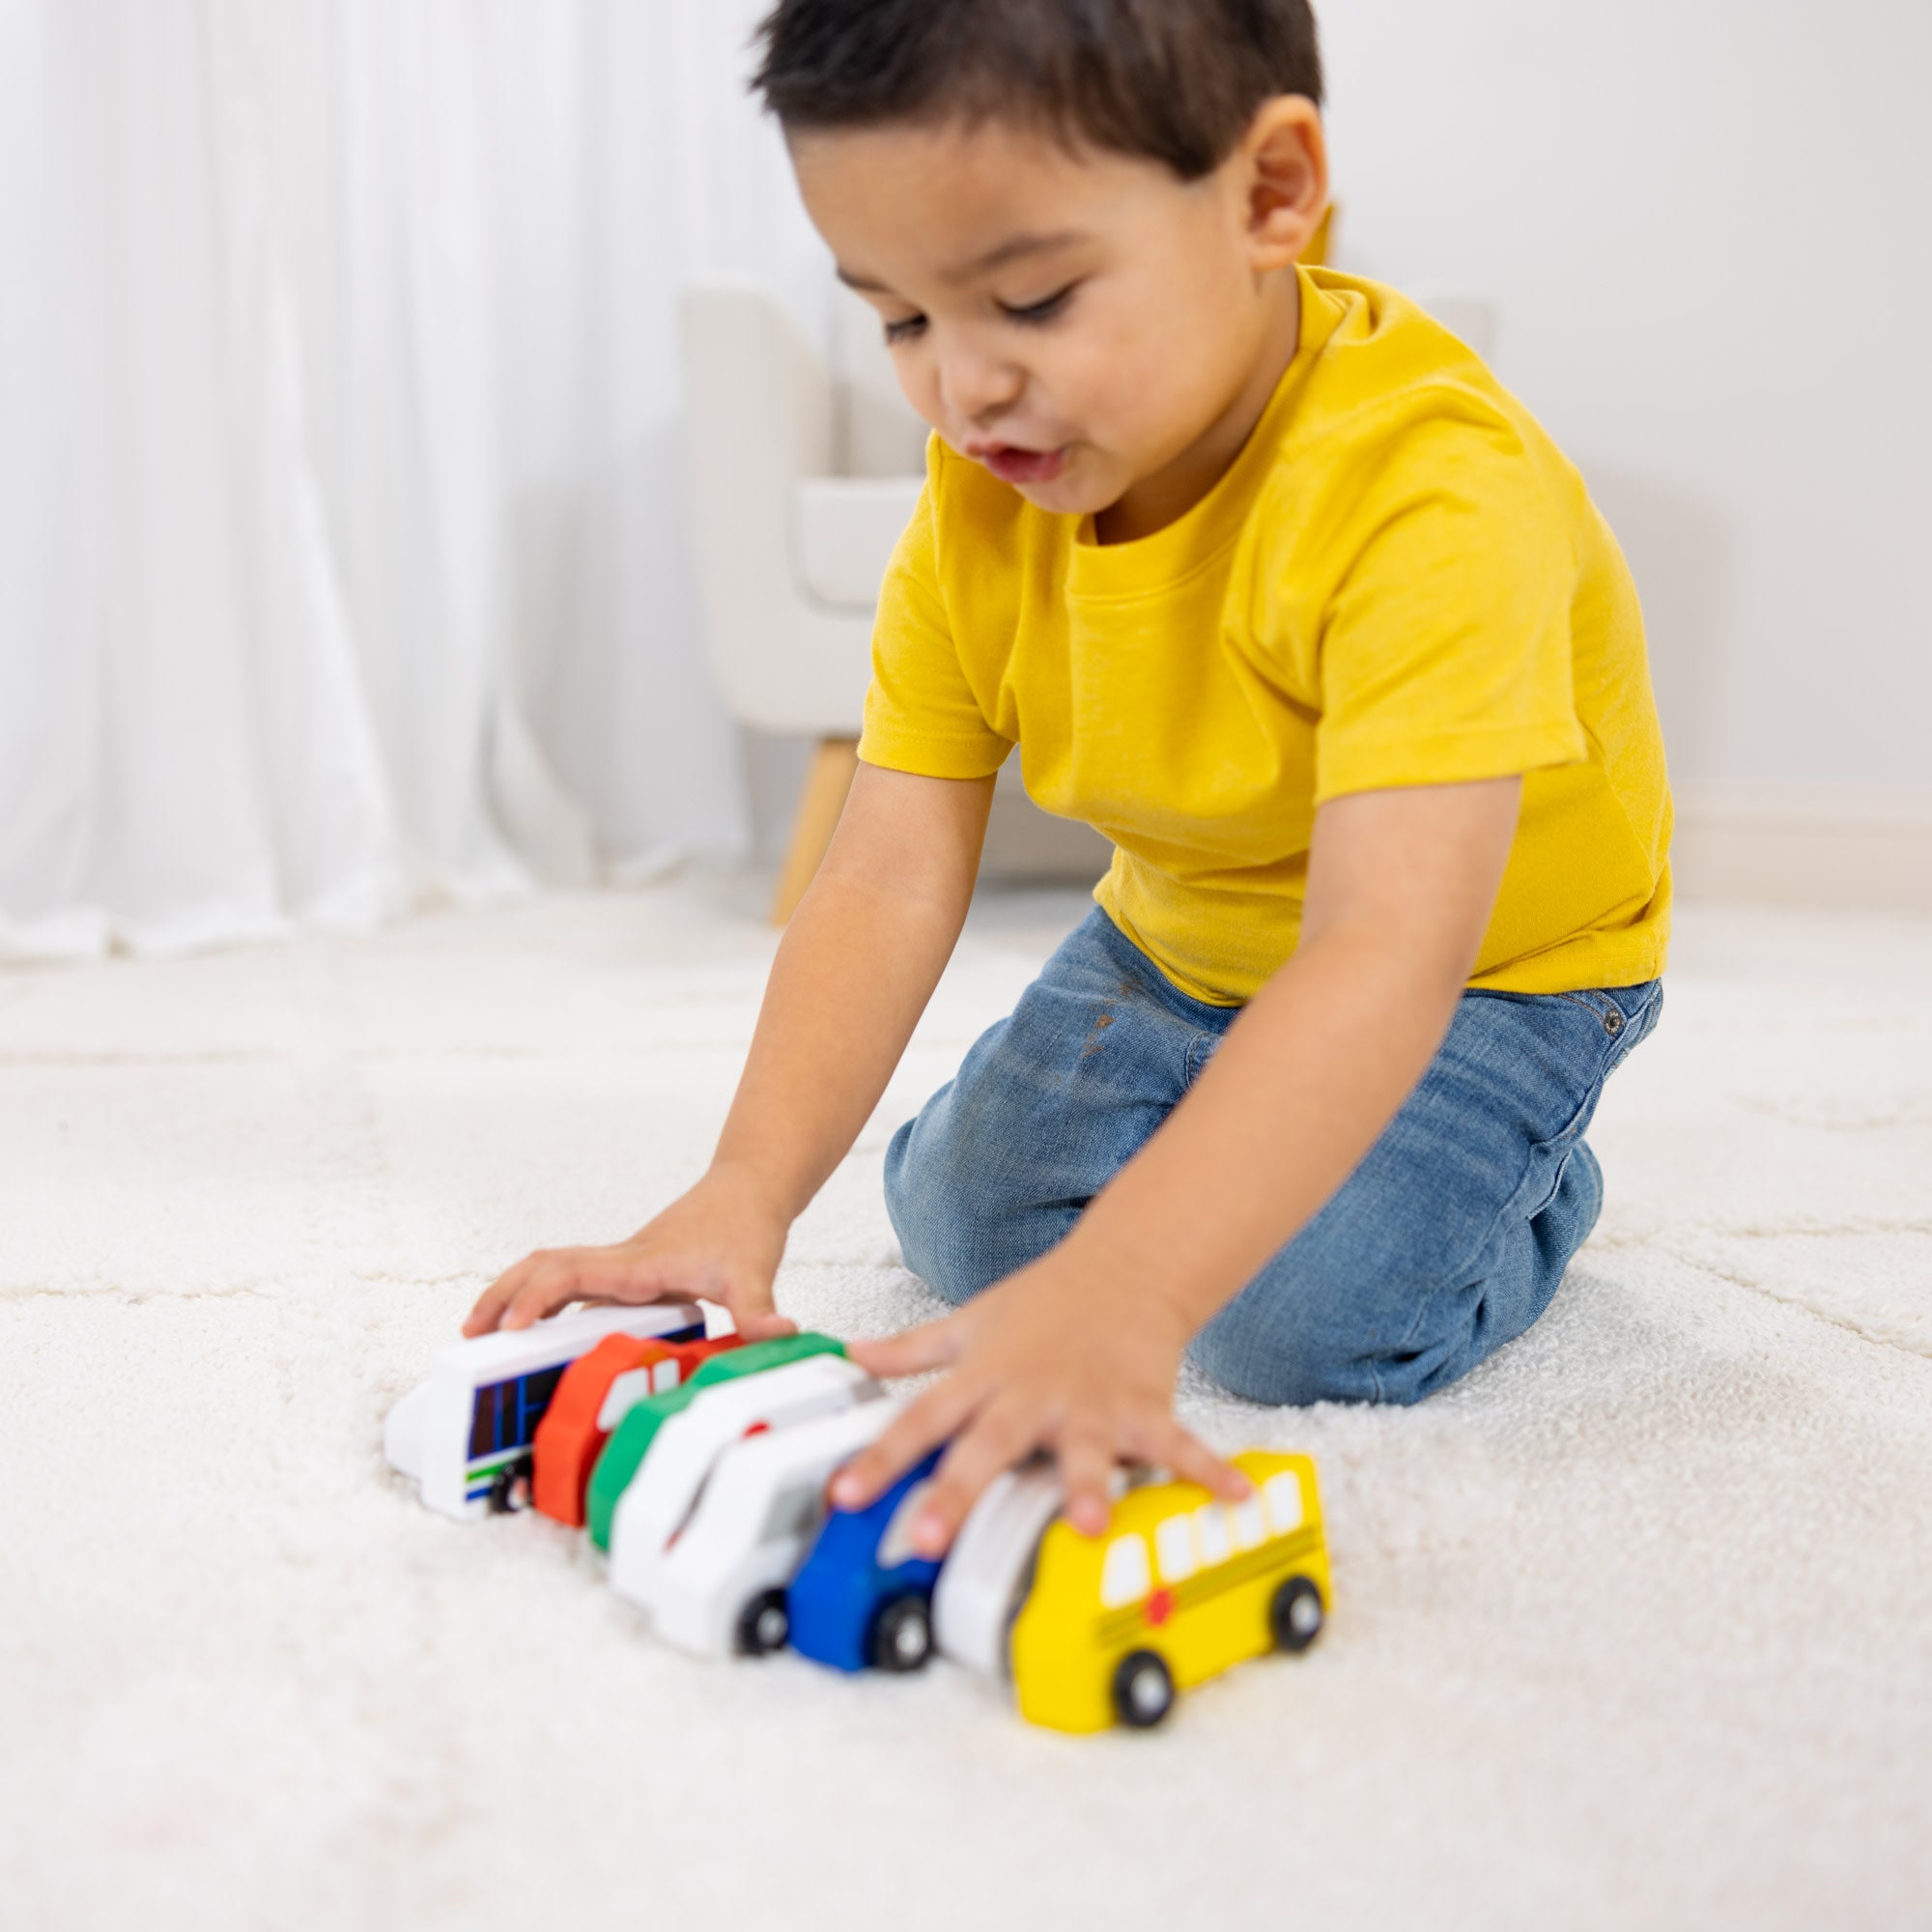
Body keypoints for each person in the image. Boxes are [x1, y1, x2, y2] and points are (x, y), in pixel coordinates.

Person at [464, 0, 1670, 1559]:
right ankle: (1223, 1135)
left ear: (1267, 195)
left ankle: (1533, 1187)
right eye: (898, 319)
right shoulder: (978, 501)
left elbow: (1388, 945)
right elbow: (889, 867)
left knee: (1298, 1327)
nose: (962, 389)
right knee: (957, 1226)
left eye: (1028, 300)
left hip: (1487, 976)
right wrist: (740, 1194)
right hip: (1182, 938)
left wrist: (1132, 1291)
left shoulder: (1427, 497)